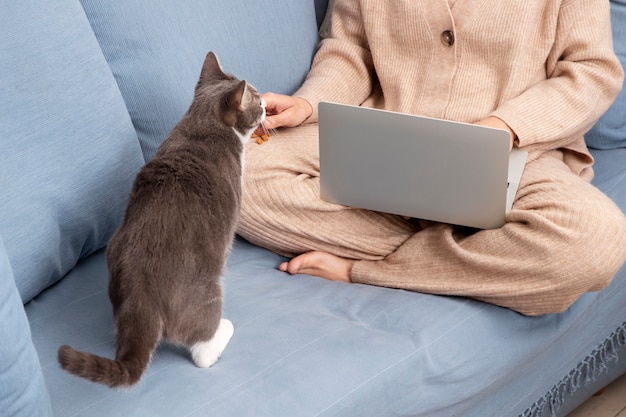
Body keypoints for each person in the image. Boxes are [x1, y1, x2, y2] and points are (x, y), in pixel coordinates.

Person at [238, 0, 626, 316]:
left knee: (597, 240)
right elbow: (350, 51)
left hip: (517, 152)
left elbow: (591, 72)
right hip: (383, 137)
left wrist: (504, 127)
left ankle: (373, 270)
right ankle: (479, 249)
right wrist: (307, 103)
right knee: (235, 171)